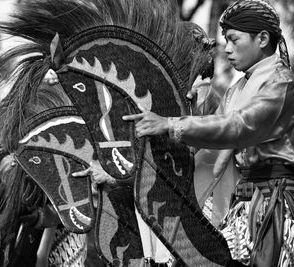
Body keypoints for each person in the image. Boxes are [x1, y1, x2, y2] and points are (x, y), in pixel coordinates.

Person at [123, 0, 294, 266]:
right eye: (226, 40)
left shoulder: (281, 84)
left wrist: (171, 124)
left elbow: (238, 127)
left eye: (234, 40)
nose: (227, 49)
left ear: (262, 38)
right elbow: (207, 148)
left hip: (275, 204)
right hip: (244, 204)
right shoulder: (237, 89)